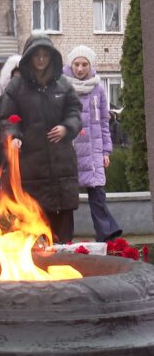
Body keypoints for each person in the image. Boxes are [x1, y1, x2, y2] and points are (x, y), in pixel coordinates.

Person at [0, 34, 82, 243]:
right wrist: (14, 136)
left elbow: (75, 113)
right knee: (33, 225)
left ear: (52, 58)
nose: (41, 60)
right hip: (31, 165)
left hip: (61, 164)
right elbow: (7, 118)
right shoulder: (16, 86)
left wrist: (66, 128)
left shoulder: (63, 85)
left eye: (45, 55)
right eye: (37, 55)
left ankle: (65, 269)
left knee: (63, 229)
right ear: (29, 58)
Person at [64, 45, 122, 242]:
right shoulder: (62, 86)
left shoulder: (98, 88)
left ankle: (107, 235)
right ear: (70, 65)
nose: (80, 69)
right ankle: (63, 237)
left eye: (84, 64)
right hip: (70, 150)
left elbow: (104, 121)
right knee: (67, 196)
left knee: (98, 194)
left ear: (90, 65)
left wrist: (106, 150)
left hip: (94, 150)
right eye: (77, 64)